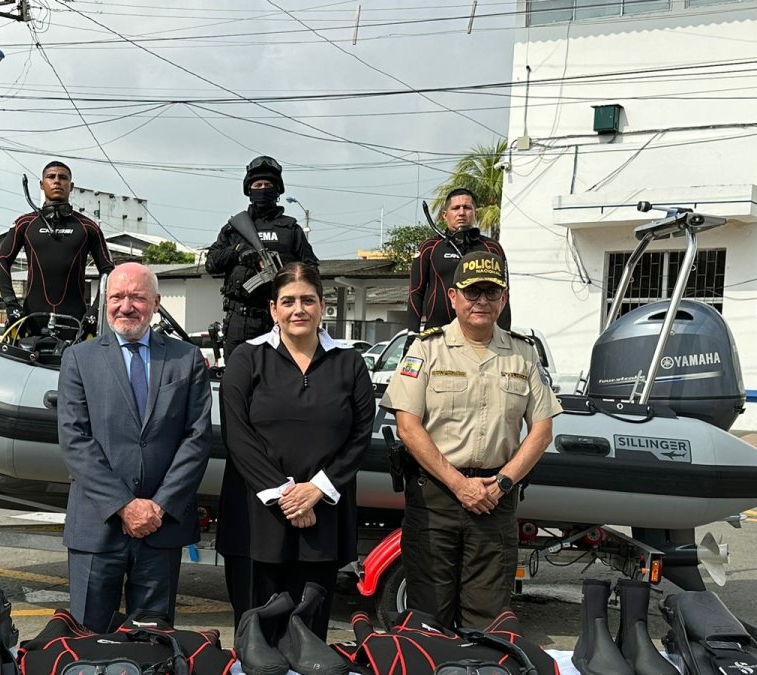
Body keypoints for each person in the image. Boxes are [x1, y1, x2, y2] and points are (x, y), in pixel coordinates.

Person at [382, 250, 560, 630]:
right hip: (435, 498)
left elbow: (542, 430)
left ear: (503, 299)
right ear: (453, 297)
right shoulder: (426, 349)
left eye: (491, 292)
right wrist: (459, 484)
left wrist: (504, 482)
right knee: (429, 617)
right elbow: (408, 426)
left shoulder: (523, 354)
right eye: (471, 291)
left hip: (496, 499)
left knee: (488, 620)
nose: (482, 301)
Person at [218, 262, 374, 638]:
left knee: (309, 642)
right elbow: (237, 436)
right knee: (256, 642)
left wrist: (316, 490)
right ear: (274, 309)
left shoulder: (349, 363)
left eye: (308, 300)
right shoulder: (246, 359)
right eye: (288, 301)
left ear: (322, 306)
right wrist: (286, 495)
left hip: (322, 520)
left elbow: (360, 436)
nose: (298, 309)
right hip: (256, 521)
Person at [57, 262, 213, 632]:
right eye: (117, 297)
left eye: (137, 298)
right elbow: (75, 439)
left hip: (162, 527)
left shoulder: (186, 358)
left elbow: (197, 437)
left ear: (156, 303)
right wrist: (124, 506)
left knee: (153, 643)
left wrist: (158, 507)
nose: (126, 306)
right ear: (106, 302)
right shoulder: (79, 358)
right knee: (86, 641)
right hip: (97, 527)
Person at [205, 156, 318, 361]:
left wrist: (289, 274)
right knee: (238, 376)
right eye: (257, 185)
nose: (263, 189)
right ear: (249, 190)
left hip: (281, 319)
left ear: (278, 190)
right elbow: (211, 263)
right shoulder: (235, 229)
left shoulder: (290, 230)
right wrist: (238, 251)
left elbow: (312, 270)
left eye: (268, 185)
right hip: (241, 319)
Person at [0, 160, 115, 336]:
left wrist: (95, 311)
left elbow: (108, 271)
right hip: (30, 322)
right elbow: (1, 261)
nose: (57, 181)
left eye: (63, 177)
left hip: (77, 323)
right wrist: (11, 304)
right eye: (51, 177)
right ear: (41, 184)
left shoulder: (88, 227)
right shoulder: (25, 223)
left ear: (71, 186)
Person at [407, 188, 511, 335]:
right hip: (438, 336)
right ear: (445, 215)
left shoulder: (491, 248)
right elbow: (415, 292)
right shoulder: (429, 247)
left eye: (467, 207)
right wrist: (412, 333)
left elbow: (504, 294)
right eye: (456, 208)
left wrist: (504, 334)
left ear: (475, 213)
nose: (461, 213)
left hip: (481, 337)